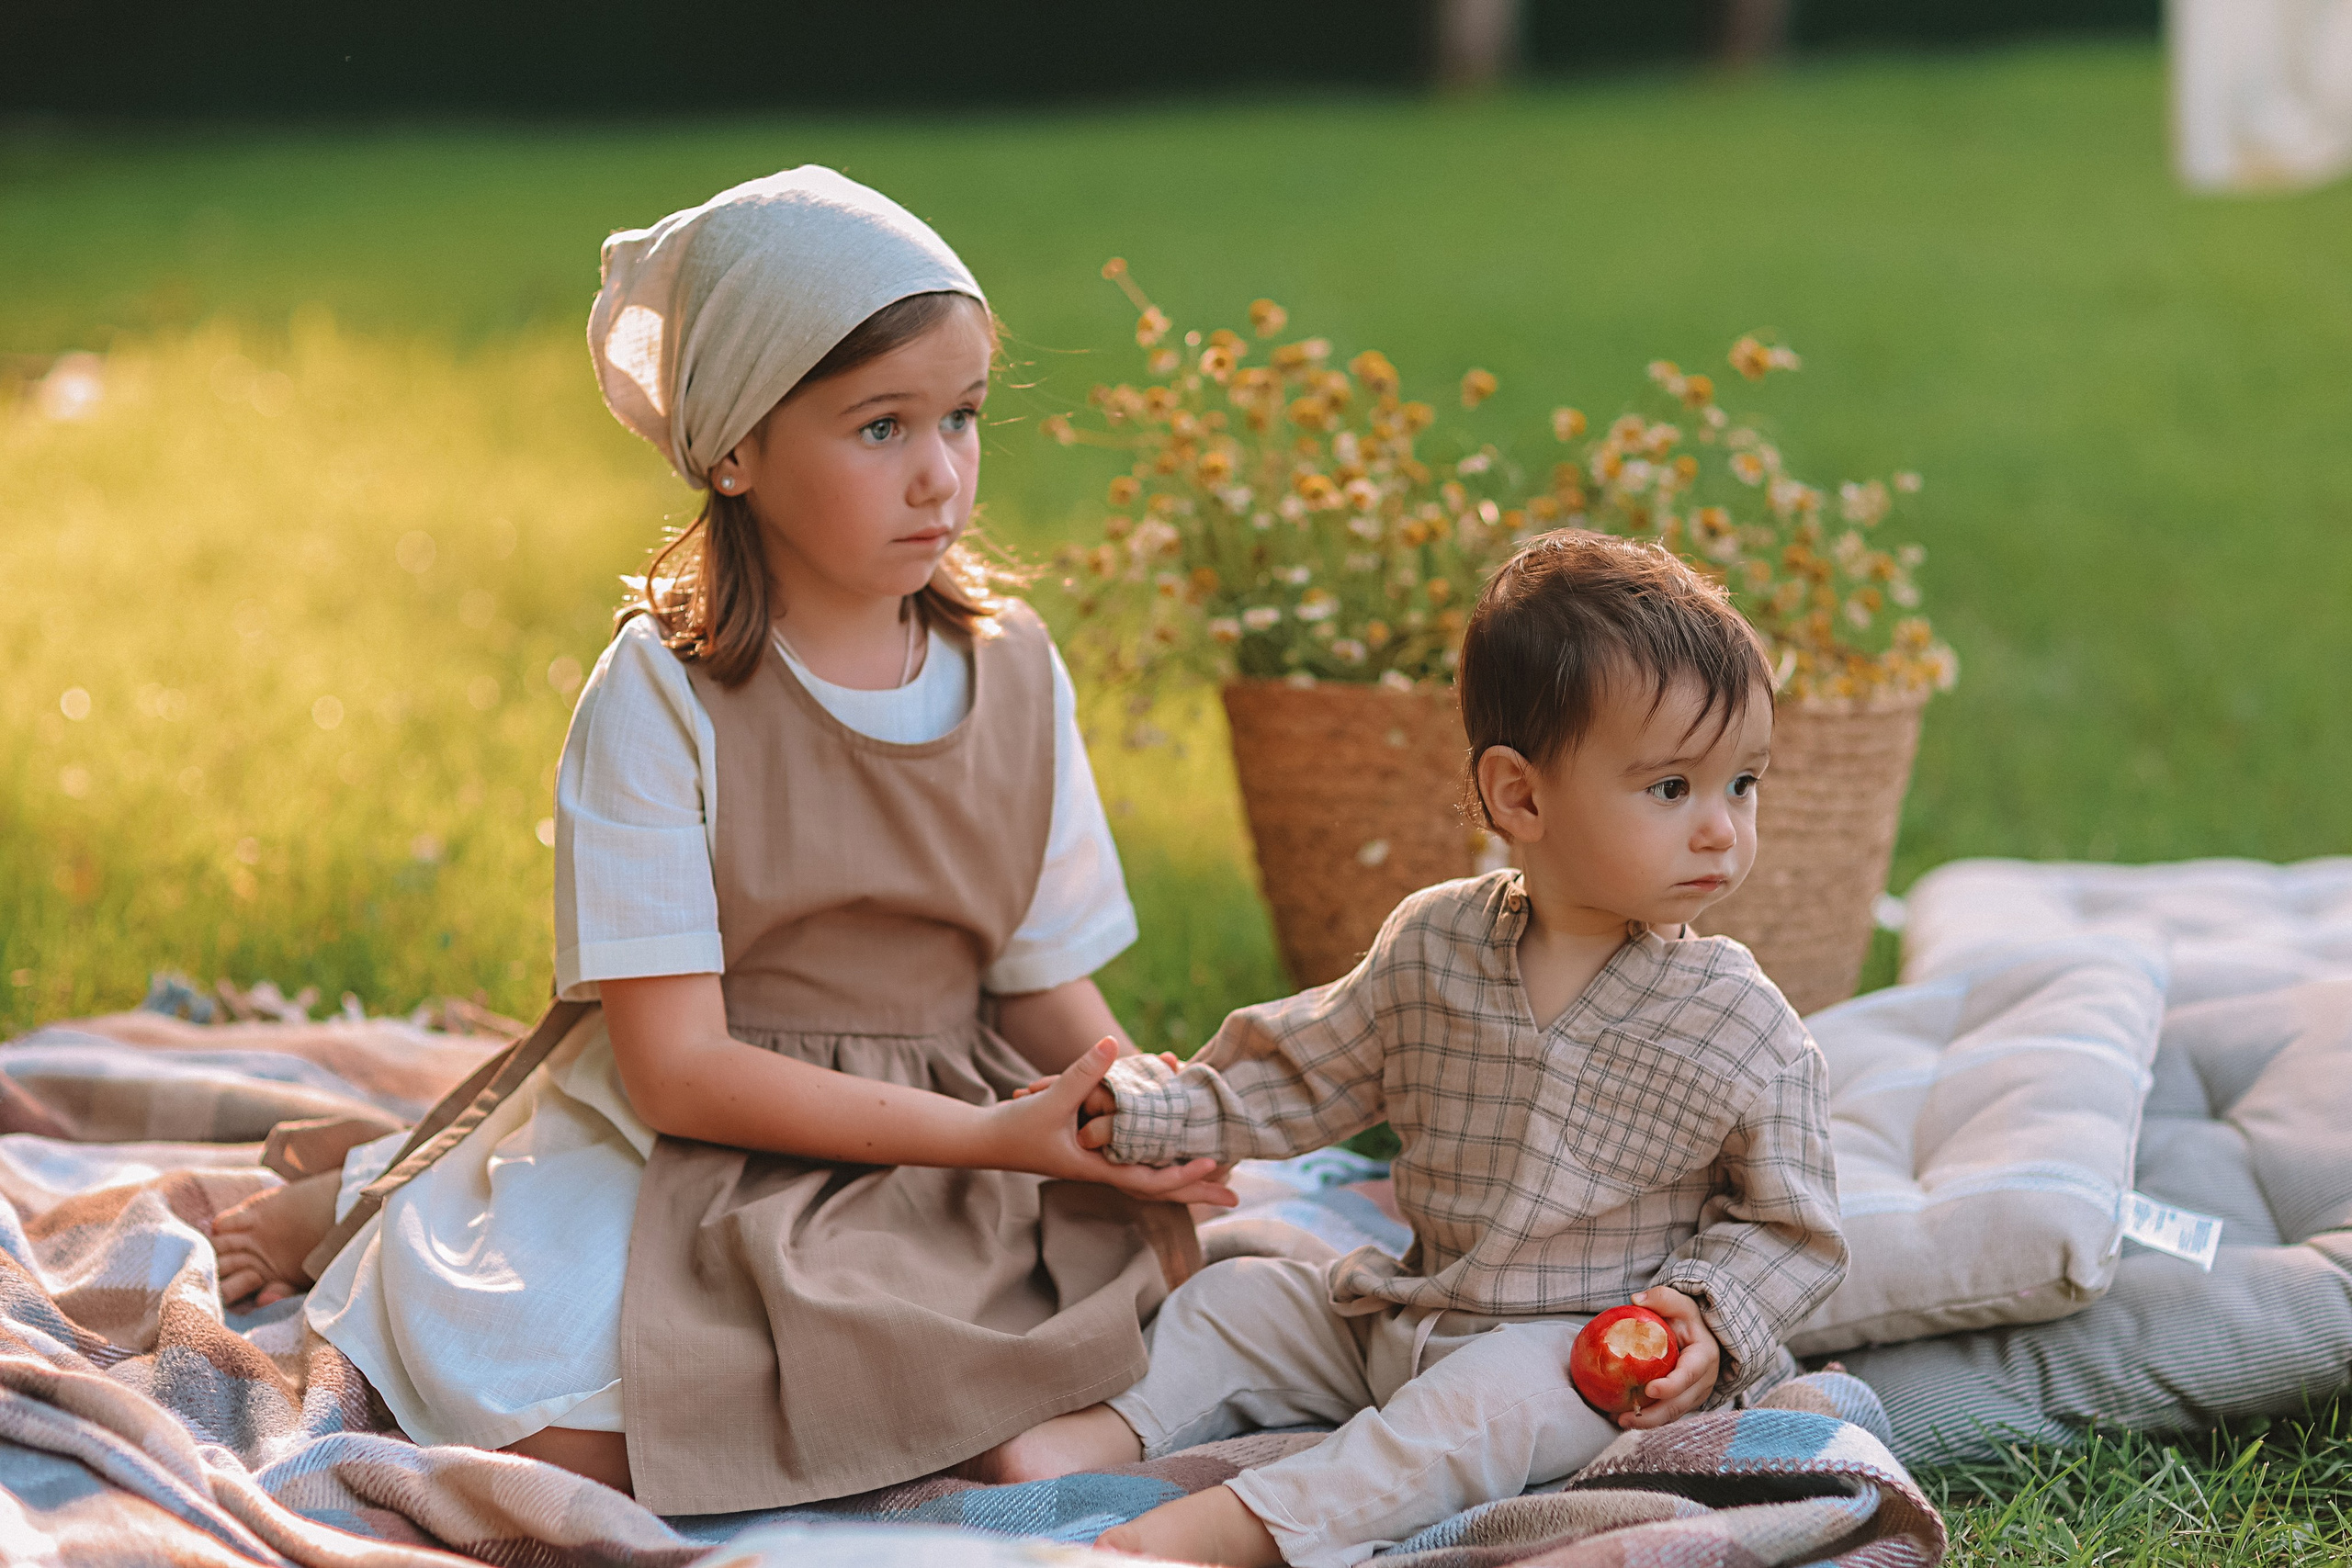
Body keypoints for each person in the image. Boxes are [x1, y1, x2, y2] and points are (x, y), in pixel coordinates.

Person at [207, 166, 1233, 1513]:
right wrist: (1001, 1139)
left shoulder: (1015, 670)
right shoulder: (664, 691)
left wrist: (1123, 1101)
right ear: (736, 449)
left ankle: (383, 1182)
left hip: (949, 1124)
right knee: (565, 1443)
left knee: (1121, 1307)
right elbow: (680, 1069)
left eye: (964, 418)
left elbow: (1034, 974)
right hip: (707, 1135)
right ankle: (382, 1193)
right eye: (881, 427)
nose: (941, 472)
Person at [1012, 531, 1851, 1567]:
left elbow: (1792, 1225)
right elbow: (1305, 1063)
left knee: (1469, 1418)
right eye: (1673, 789)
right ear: (1520, 796)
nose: (1722, 830)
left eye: (1743, 785)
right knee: (1239, 1298)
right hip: (1411, 1310)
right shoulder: (1437, 942)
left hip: (1570, 1364)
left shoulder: (1738, 1020)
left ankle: (1219, 1533)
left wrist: (1704, 1322)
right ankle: (1089, 1441)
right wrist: (1145, 1112)